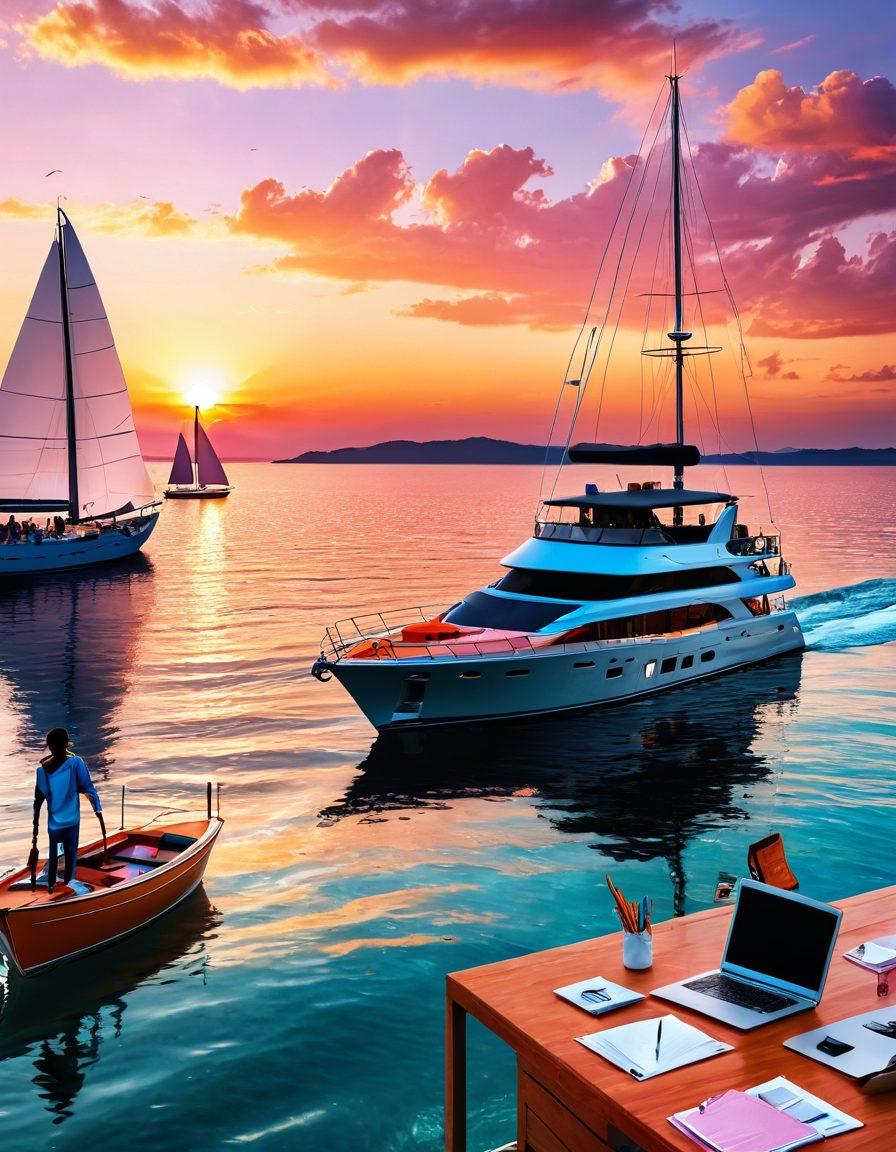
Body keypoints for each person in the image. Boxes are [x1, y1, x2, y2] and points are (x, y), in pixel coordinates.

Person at [32, 727, 105, 895]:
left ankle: (51, 886)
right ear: (66, 744)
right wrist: (98, 810)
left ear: (50, 746)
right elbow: (88, 788)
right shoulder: (75, 763)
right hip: (71, 822)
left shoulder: (41, 771)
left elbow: (38, 802)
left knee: (55, 853)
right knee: (70, 854)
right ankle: (69, 885)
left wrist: (35, 828)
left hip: (54, 824)